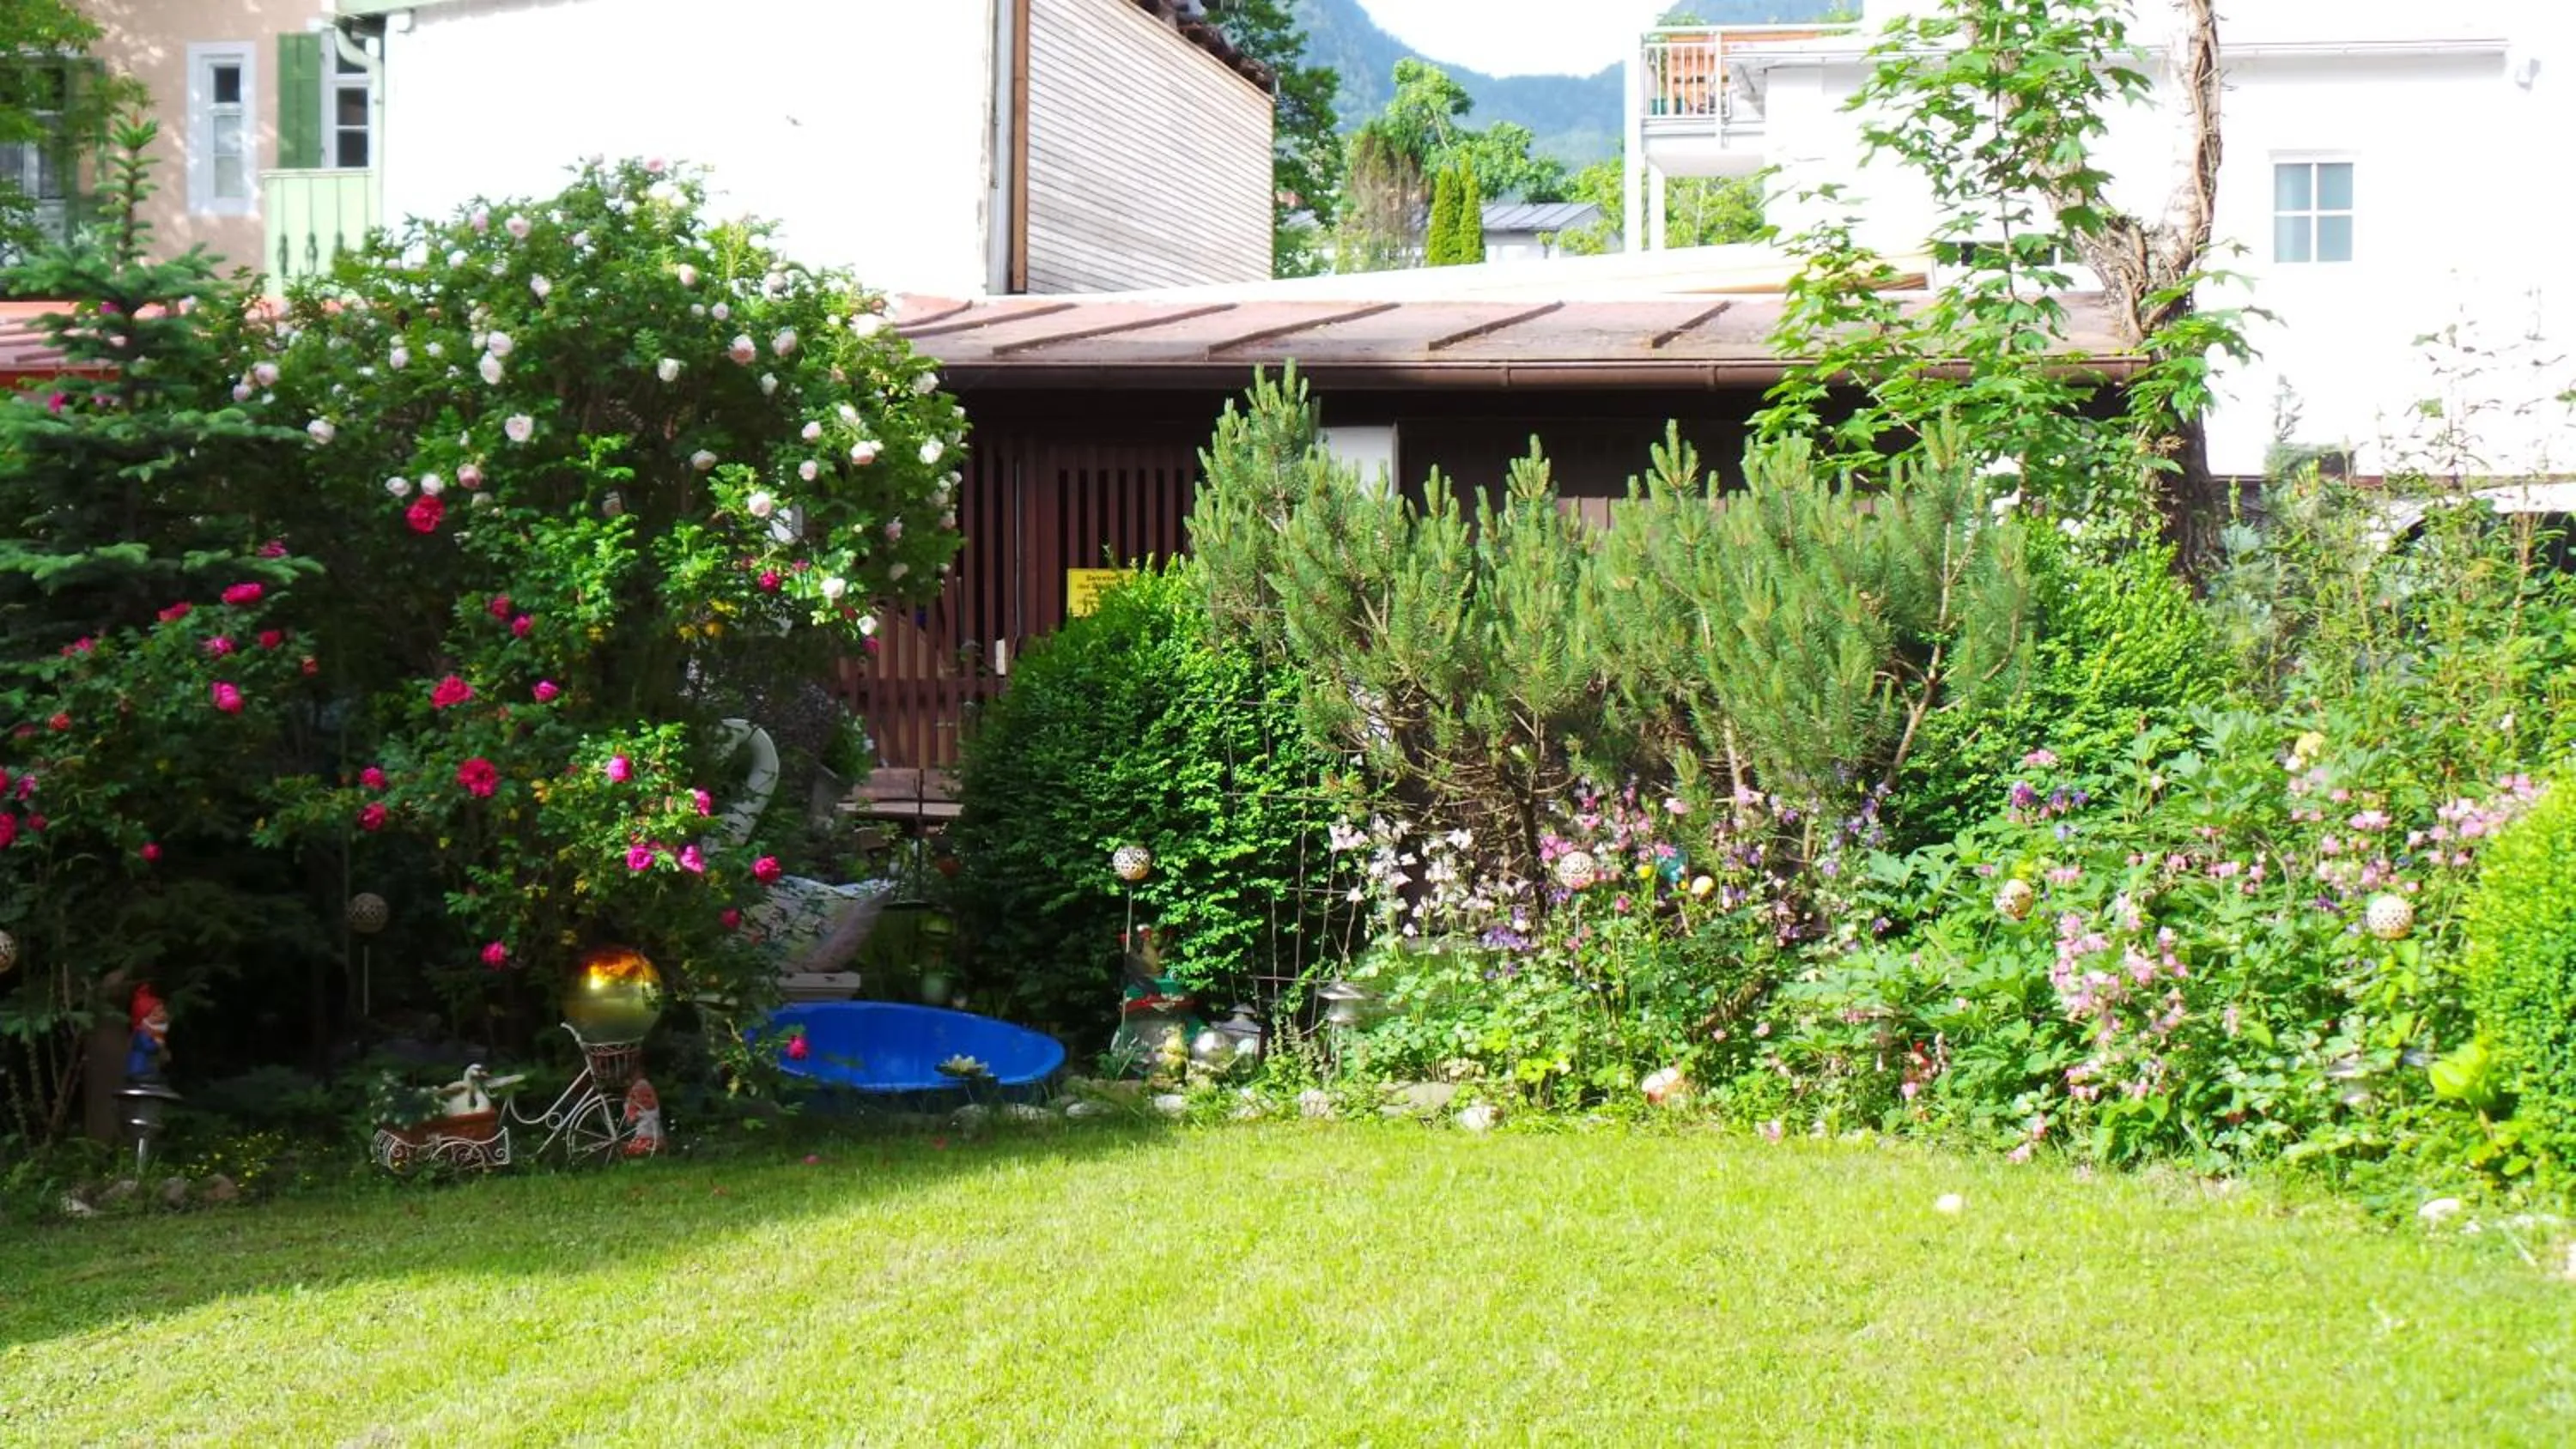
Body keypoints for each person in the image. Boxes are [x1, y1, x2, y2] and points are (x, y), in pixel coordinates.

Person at [125, 985, 172, 1085]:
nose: (162, 1016)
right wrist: (157, 1045)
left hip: (149, 1068)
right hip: (139, 1069)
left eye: (162, 1011)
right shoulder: (142, 1033)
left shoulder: (155, 1033)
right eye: (156, 1014)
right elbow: (147, 1047)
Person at [623, 1076, 664, 1156]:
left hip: (655, 1138)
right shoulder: (639, 1113)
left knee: (652, 1145)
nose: (645, 1099)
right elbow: (630, 1121)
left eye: (649, 1096)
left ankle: (644, 1150)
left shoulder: (655, 1111)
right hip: (641, 1138)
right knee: (632, 1147)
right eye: (641, 1096)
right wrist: (631, 1105)